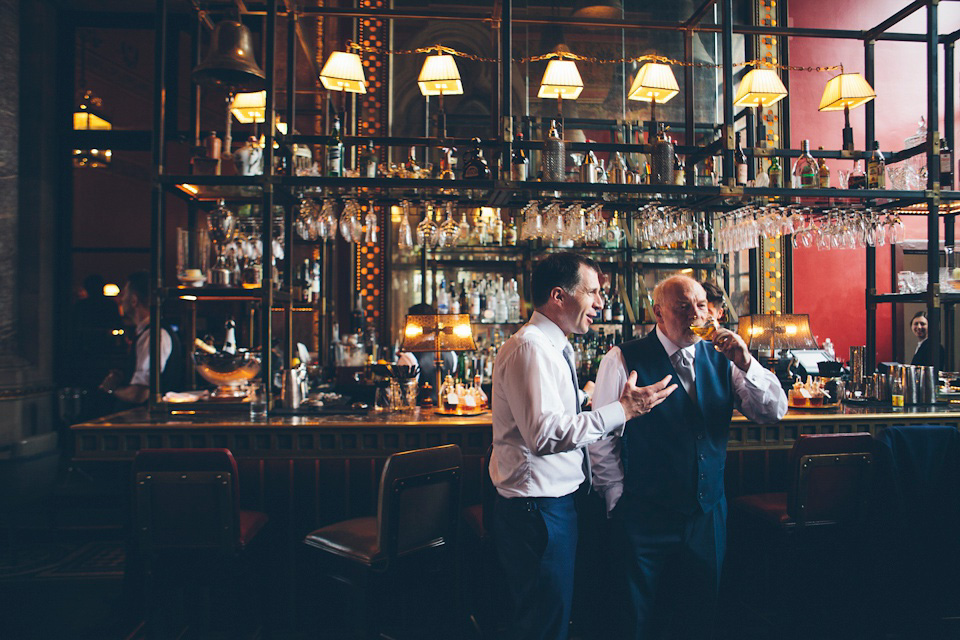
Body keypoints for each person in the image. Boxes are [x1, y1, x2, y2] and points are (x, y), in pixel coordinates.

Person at [489, 252, 678, 640]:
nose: (600, 303)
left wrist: (584, 396)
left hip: (552, 505)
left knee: (552, 616)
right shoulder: (531, 348)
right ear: (559, 296)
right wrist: (622, 411)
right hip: (536, 510)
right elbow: (543, 435)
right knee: (542, 624)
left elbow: (552, 412)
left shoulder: (554, 345)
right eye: (592, 292)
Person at [589, 275, 787, 639]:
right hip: (643, 514)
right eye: (683, 307)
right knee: (634, 618)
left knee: (699, 615)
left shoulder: (724, 358)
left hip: (707, 514)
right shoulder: (621, 358)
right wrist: (617, 499)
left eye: (700, 305)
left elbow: (772, 412)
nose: (696, 314)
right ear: (658, 313)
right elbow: (602, 440)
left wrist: (746, 361)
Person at [98, 271, 181, 404]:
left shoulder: (154, 335)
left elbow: (139, 394)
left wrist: (110, 390)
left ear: (134, 300)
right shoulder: (148, 332)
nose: (121, 299)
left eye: (124, 294)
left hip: (151, 420)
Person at [396, 302, 458, 404]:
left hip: (418, 415)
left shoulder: (408, 357)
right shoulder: (451, 354)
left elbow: (403, 396)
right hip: (445, 413)